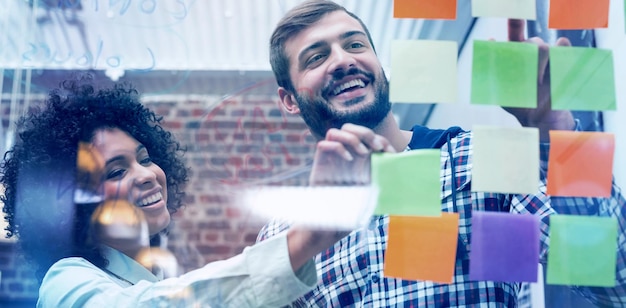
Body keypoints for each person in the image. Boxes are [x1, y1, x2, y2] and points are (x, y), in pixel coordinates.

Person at [257, 0, 626, 306]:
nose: (342, 60)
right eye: (316, 57)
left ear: (379, 67)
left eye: (354, 45)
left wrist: (554, 128)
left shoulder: (478, 158)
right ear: (289, 100)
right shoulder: (288, 234)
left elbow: (614, 279)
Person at [0, 76, 349, 307]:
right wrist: (302, 241)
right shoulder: (66, 280)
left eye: (145, 158)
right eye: (118, 170)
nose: (147, 175)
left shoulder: (157, 279)